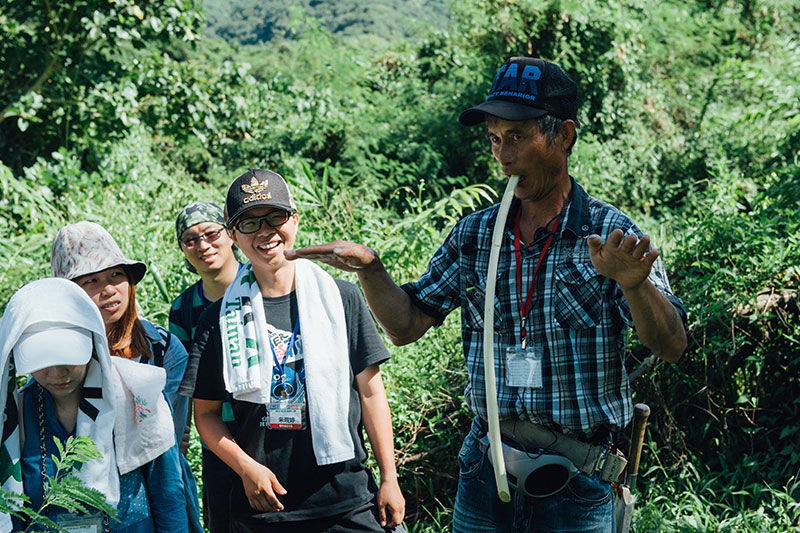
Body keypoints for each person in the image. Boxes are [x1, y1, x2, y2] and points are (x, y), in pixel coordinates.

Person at [288, 56, 688, 532]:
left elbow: (672, 345)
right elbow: (406, 325)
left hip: (578, 480)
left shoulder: (608, 234)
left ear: (563, 136)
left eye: (516, 137)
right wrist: (372, 272)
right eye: (495, 139)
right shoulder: (476, 235)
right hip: (485, 469)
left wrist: (633, 282)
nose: (503, 155)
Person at [179, 169, 405, 532]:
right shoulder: (218, 318)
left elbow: (371, 392)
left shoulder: (341, 296)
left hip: (346, 497)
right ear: (234, 236)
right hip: (265, 505)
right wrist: (246, 468)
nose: (265, 232)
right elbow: (205, 415)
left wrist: (390, 478)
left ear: (294, 219)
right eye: (249, 224)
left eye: (275, 217)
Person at [0, 278, 190, 532]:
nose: (57, 373)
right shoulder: (15, 417)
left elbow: (168, 495)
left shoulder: (137, 394)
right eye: (42, 360)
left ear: (91, 341)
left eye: (68, 356)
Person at [50, 221, 203, 533]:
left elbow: (164, 446)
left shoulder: (161, 349)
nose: (108, 289)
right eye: (91, 280)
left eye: (116, 275)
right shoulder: (52, 359)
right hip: (77, 505)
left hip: (152, 500)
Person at [170, 201, 241, 533]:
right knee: (224, 519)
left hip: (270, 427)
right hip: (216, 436)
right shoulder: (184, 308)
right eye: (190, 240)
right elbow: (183, 376)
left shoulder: (260, 284)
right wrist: (180, 434)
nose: (203, 245)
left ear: (229, 235)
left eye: (211, 233)